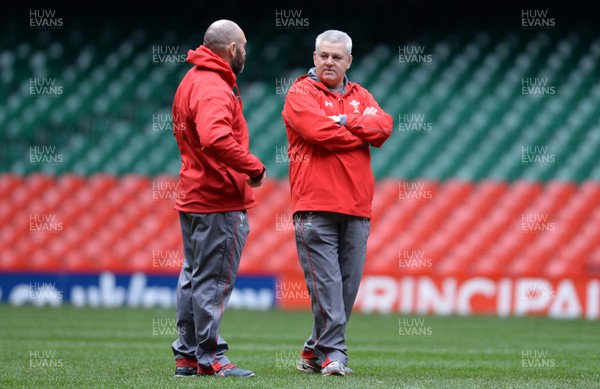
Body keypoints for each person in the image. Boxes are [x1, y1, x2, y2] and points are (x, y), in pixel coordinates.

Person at [282, 29, 393, 376]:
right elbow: (319, 133)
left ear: (349, 62)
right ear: (314, 58)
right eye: (323, 56)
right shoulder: (299, 93)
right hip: (315, 207)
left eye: (337, 57)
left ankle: (313, 350)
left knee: (347, 287)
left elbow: (385, 127)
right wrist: (360, 132)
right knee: (328, 287)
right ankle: (334, 356)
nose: (329, 62)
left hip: (357, 207)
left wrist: (346, 120)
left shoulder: (361, 94)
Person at [170, 19, 266, 378]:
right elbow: (215, 138)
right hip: (218, 197)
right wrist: (253, 167)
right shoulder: (213, 85)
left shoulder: (191, 80)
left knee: (193, 278)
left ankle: (187, 355)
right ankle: (210, 357)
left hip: (194, 193)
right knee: (212, 282)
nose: (245, 51)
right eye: (243, 45)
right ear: (232, 49)